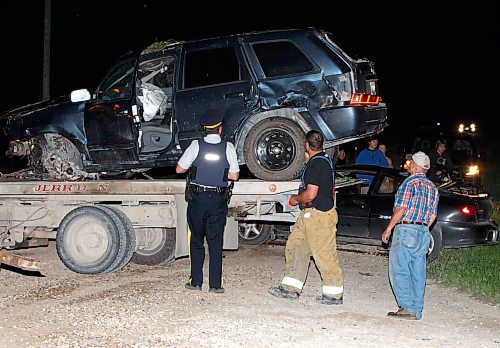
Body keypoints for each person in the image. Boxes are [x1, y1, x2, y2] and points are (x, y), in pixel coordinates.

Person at [268, 130, 343, 305]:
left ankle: (334, 294)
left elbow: (310, 194)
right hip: (309, 215)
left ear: (306, 145)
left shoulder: (315, 165)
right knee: (296, 247)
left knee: (324, 254)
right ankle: (290, 289)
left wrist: (295, 199)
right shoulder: (324, 160)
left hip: (319, 215)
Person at [176, 110, 240, 294]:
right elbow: (234, 175)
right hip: (218, 199)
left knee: (196, 240)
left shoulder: (196, 145)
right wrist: (219, 172)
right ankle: (215, 285)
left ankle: (196, 282)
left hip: (197, 199)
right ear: (220, 129)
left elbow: (179, 169)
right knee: (216, 242)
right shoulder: (228, 147)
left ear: (206, 130)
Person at [381, 151, 439, 320]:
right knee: (418, 271)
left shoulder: (409, 183)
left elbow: (401, 208)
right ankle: (417, 309)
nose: (408, 165)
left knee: (400, 269)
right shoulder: (433, 187)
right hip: (423, 232)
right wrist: (421, 228)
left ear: (414, 166)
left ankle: (406, 307)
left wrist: (389, 228)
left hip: (406, 230)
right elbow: (433, 216)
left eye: (410, 163)